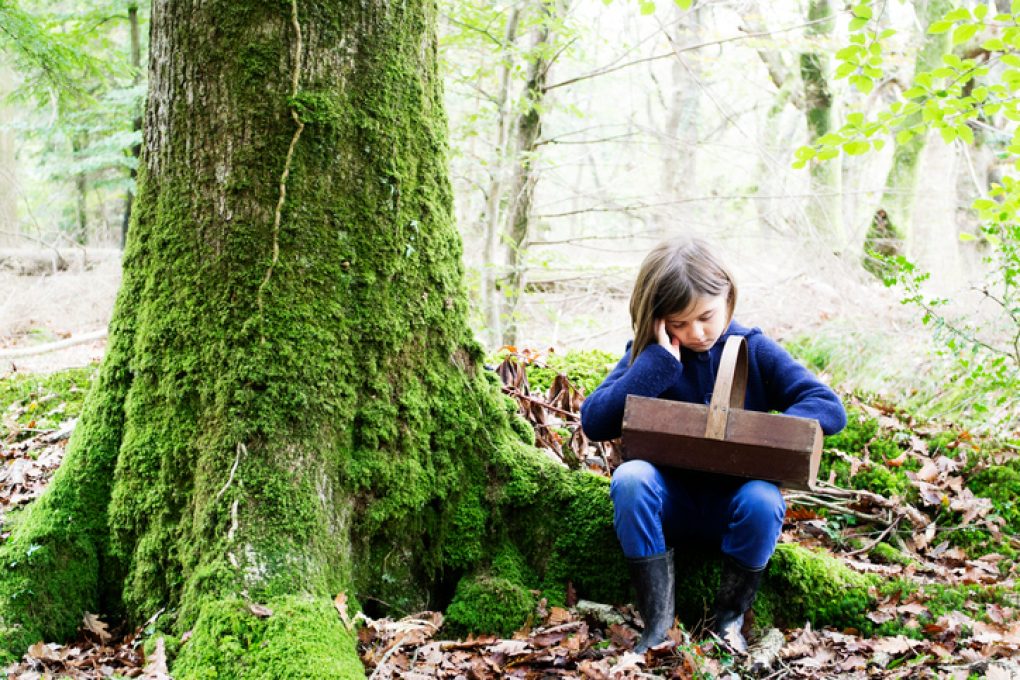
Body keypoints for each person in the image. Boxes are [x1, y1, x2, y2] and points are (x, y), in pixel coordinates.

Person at [580, 237, 847, 653]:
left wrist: (756, 434)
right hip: (667, 505)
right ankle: (657, 624)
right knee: (631, 478)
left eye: (706, 316)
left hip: (734, 511)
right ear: (657, 320)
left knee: (763, 498)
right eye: (678, 324)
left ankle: (729, 622)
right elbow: (594, 420)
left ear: (728, 295)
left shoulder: (753, 348)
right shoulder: (651, 356)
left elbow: (828, 406)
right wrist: (657, 365)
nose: (696, 333)